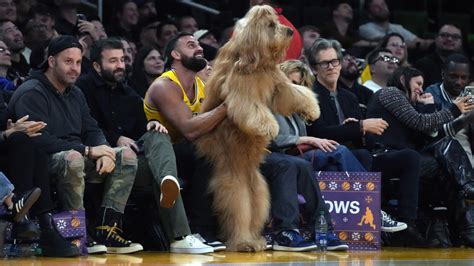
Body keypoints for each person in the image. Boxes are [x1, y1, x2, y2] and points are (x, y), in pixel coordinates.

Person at [76, 38, 214, 254]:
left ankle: (169, 181)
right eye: (113, 61)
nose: (121, 65)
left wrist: (150, 124)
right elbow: (84, 127)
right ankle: (181, 236)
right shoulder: (82, 88)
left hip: (133, 163)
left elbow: (142, 127)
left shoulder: (128, 91)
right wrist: (116, 137)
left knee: (157, 134)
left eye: (122, 59)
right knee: (162, 166)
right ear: (95, 66)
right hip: (99, 157)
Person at [8, 35, 143, 254]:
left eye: (79, 63)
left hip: (78, 156)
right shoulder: (32, 91)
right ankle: (75, 235)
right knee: (73, 159)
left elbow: (91, 128)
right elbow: (38, 140)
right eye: (68, 62)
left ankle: (107, 230)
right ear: (51, 62)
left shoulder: (76, 92)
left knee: (125, 155)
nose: (75, 69)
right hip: (43, 163)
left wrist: (105, 152)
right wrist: (88, 150)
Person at [306, 39, 438, 246]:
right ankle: (374, 212)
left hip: (361, 155)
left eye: (334, 61)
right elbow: (318, 132)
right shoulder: (310, 95)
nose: (331, 67)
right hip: (328, 157)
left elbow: (365, 140)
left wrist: (363, 133)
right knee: (363, 155)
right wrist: (357, 128)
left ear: (340, 63)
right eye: (324, 63)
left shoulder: (350, 96)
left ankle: (406, 224)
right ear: (314, 69)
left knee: (409, 157)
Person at [144, 32, 227, 247]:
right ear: (175, 54)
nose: (199, 48)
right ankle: (197, 231)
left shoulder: (201, 86)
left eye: (199, 44)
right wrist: (228, 106)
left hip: (185, 151)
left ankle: (226, 229)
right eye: (191, 45)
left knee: (223, 155)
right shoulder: (165, 85)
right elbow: (190, 130)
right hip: (157, 153)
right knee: (206, 155)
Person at [425, 53, 473, 167]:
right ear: (443, 74)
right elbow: (432, 135)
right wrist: (466, 120)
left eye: (463, 77)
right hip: (444, 148)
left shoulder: (470, 94)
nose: (458, 82)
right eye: (453, 76)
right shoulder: (431, 94)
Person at [358, 0, 433, 50]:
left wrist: (435, 42)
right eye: (376, 6)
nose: (381, 7)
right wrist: (416, 45)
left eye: (383, 4)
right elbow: (389, 41)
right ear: (370, 14)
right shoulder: (365, 28)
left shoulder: (397, 27)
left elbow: (419, 41)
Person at [338, 49, 373, 118]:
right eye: (346, 58)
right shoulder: (333, 90)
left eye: (354, 59)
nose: (352, 61)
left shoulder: (367, 93)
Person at [0, 21, 29, 85]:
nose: (16, 33)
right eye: (9, 31)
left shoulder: (29, 65)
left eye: (16, 28)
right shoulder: (5, 70)